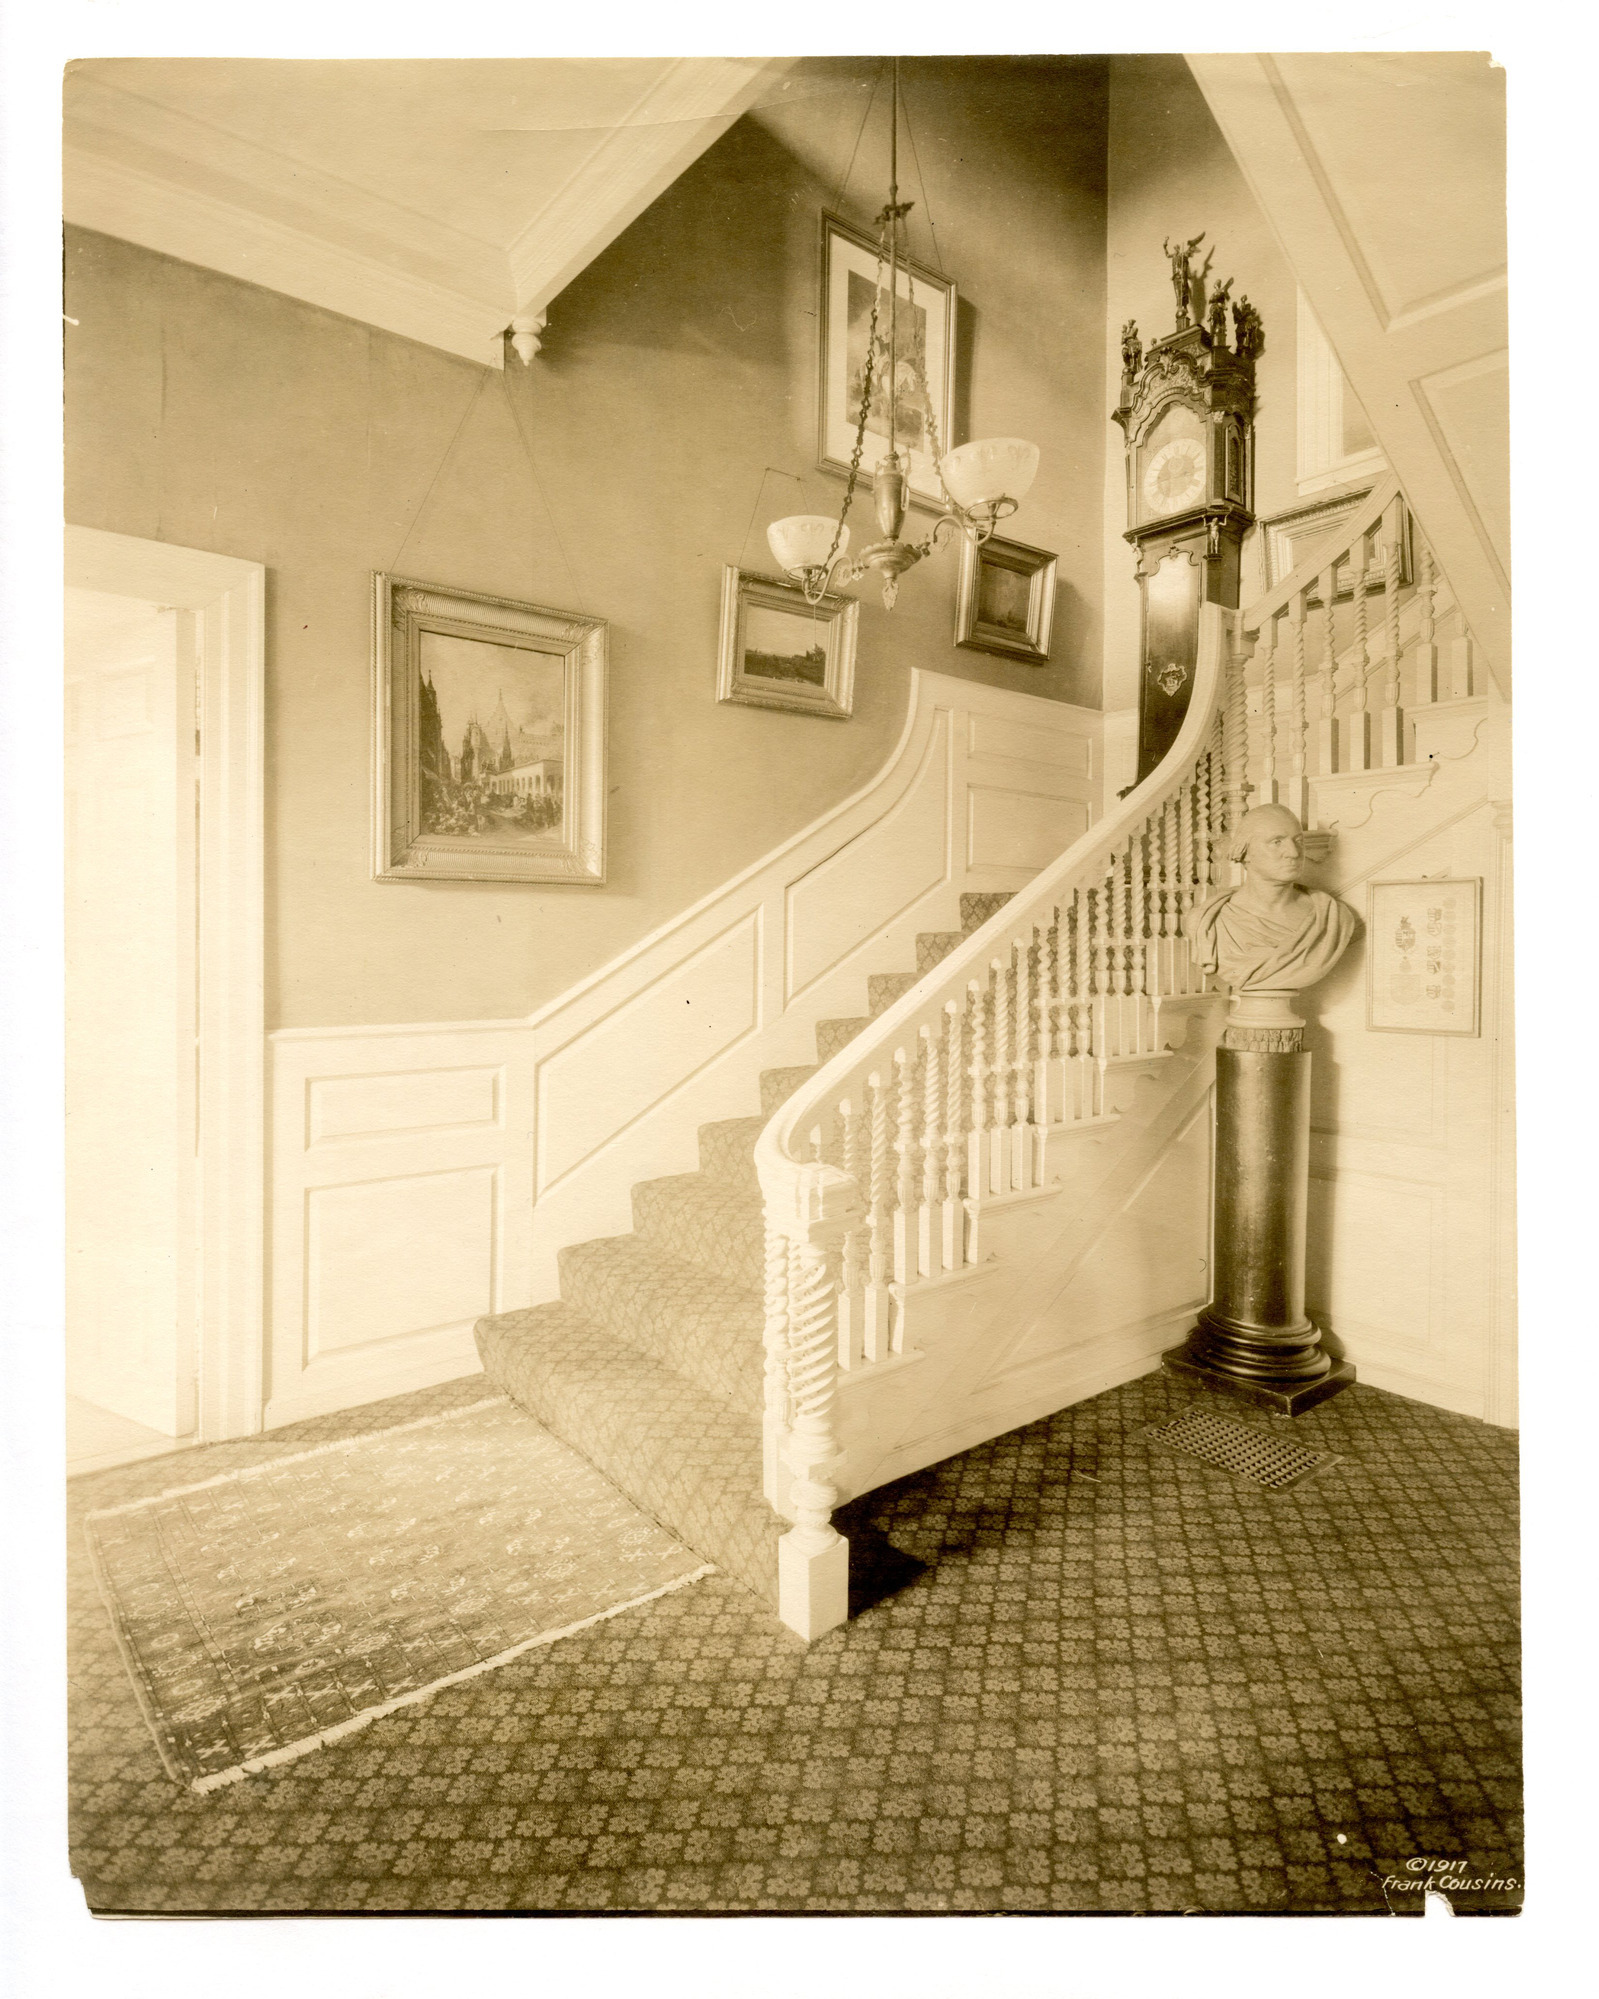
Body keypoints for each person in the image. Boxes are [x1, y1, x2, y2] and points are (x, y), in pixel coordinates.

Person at [1189, 803, 1358, 992]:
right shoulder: (1208, 921)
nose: (1294, 853)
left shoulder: (1333, 918)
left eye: (1298, 841)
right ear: (1244, 851)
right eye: (1276, 842)